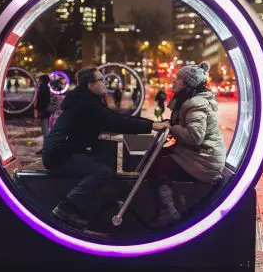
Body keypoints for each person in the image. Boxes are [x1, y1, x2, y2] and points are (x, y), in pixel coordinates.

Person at [42, 67, 168, 228]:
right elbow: (114, 121)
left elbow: (111, 118)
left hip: (64, 151)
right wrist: (152, 125)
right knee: (102, 171)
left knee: (104, 161)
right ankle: (65, 208)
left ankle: (91, 209)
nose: (105, 82)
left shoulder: (86, 99)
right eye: (101, 80)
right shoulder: (86, 103)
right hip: (58, 156)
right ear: (91, 85)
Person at [148, 62, 227, 228]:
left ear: (188, 83)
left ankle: (168, 212)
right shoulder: (189, 101)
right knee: (158, 157)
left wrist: (172, 127)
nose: (173, 82)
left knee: (156, 166)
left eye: (178, 79)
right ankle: (166, 208)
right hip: (200, 156)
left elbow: (194, 137)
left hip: (204, 160)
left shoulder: (195, 103)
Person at [35, 75, 51, 155]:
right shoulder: (46, 88)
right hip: (45, 112)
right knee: (45, 130)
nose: (38, 80)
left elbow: (42, 101)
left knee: (45, 131)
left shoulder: (43, 88)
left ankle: (46, 148)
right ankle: (46, 148)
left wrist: (39, 111)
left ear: (41, 80)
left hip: (43, 112)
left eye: (39, 79)